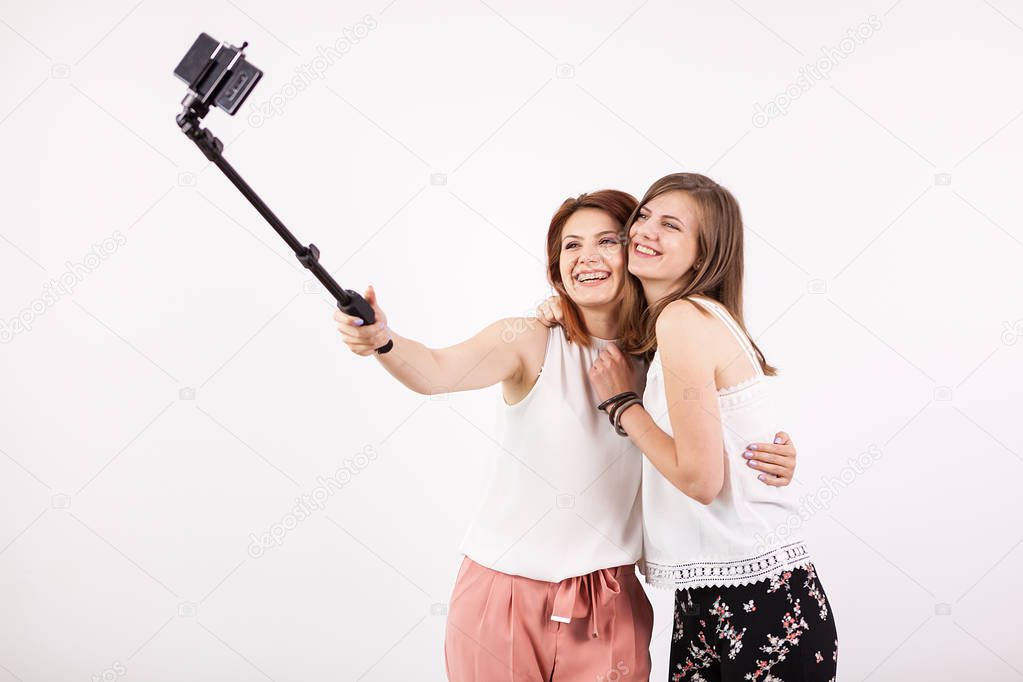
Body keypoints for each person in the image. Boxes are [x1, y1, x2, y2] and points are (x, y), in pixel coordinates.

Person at [333, 189, 799, 681]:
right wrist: (383, 340)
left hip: (609, 603)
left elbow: (717, 432)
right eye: (571, 246)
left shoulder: (663, 356)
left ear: (635, 252)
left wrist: (771, 454)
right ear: (556, 268)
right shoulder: (529, 338)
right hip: (500, 599)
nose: (587, 258)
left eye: (606, 240)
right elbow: (435, 371)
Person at [542, 173, 838, 680]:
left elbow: (702, 480)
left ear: (702, 256)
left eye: (671, 225)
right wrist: (556, 303)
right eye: (645, 216)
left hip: (758, 600)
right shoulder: (680, 323)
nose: (645, 231)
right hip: (714, 595)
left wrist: (621, 404)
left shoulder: (682, 319)